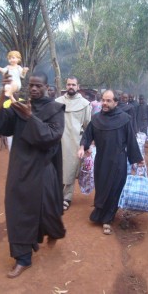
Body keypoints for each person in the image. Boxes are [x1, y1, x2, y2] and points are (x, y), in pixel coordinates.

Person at [0, 71, 66, 278]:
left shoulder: (55, 108)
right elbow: (2, 126)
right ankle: (23, 258)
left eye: (38, 86)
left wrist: (30, 117)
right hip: (20, 167)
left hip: (43, 168)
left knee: (47, 209)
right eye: (31, 85)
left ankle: (51, 232)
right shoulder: (19, 104)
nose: (33, 89)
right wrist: (4, 95)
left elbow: (52, 136)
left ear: (47, 87)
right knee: (17, 208)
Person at [78, 90, 144, 235]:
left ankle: (107, 219)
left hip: (119, 161)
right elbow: (87, 135)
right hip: (101, 160)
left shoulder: (125, 119)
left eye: (108, 101)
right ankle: (100, 213)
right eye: (103, 100)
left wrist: (138, 159)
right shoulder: (96, 119)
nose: (105, 103)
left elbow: (131, 140)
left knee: (114, 189)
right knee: (102, 188)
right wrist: (83, 147)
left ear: (115, 102)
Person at [55, 76, 91, 210]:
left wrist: (87, 145)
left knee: (70, 170)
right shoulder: (57, 102)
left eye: (73, 85)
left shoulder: (85, 104)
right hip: (58, 141)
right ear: (66, 85)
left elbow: (88, 126)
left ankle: (67, 197)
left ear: (78, 86)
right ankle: (56, 195)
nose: (71, 87)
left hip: (75, 143)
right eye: (69, 84)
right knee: (57, 168)